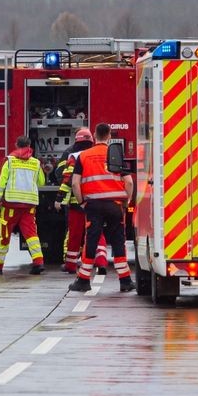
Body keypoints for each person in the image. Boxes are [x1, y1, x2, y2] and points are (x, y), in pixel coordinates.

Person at [68, 123, 135, 292]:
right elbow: (129, 182)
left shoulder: (83, 156)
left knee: (91, 241)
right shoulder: (116, 154)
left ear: (94, 136)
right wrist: (126, 201)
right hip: (115, 205)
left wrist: (82, 202)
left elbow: (75, 184)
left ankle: (83, 280)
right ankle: (125, 281)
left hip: (93, 206)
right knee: (119, 241)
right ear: (109, 136)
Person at [52, 127, 110, 274]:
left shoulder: (74, 156)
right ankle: (101, 261)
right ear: (92, 140)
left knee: (75, 235)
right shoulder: (98, 154)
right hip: (97, 200)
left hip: (77, 203)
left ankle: (71, 265)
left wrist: (59, 199)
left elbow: (67, 180)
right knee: (98, 233)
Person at [0, 135, 46, 275]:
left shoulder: (9, 162)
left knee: (5, 234)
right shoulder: (36, 163)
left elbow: (1, 184)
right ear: (29, 146)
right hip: (29, 206)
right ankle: (38, 262)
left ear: (16, 145)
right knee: (31, 234)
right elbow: (41, 182)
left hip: (11, 205)